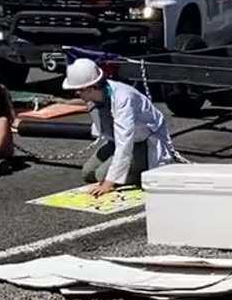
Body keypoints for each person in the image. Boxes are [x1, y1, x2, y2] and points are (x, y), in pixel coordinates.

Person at [63, 58, 177, 197]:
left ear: (91, 87)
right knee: (88, 173)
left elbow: (125, 143)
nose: (76, 94)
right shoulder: (95, 99)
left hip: (142, 141)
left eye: (77, 90)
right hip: (116, 141)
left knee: (101, 175)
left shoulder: (123, 99)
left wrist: (108, 183)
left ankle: (144, 169)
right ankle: (125, 171)